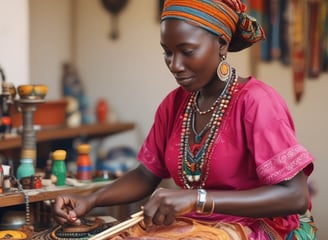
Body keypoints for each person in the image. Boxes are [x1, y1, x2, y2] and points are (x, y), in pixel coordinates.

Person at [53, 0, 317, 239]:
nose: (174, 64)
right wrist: (91, 200)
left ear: (222, 45)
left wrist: (197, 199)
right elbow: (147, 174)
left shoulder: (257, 101)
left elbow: (295, 195)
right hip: (195, 225)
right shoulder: (175, 103)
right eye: (167, 52)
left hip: (254, 227)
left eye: (187, 51)